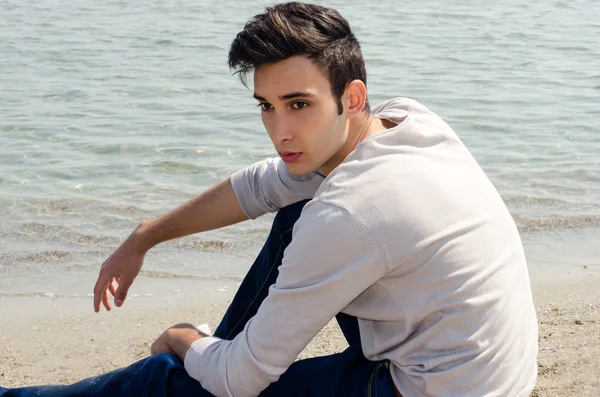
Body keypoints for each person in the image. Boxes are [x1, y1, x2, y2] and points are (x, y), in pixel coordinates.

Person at [0, 2, 538, 396]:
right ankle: (218, 353)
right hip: (487, 368)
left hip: (428, 388)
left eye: (298, 104)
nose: (279, 130)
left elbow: (242, 380)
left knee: (162, 379)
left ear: (351, 98)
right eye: (266, 106)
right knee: (298, 209)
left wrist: (185, 339)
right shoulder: (407, 121)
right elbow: (265, 184)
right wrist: (148, 234)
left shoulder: (352, 211)